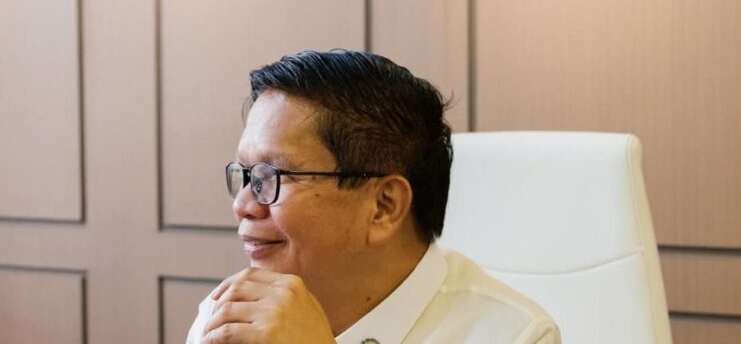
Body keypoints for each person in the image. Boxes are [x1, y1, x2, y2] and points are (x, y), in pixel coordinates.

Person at [187, 50, 560, 344]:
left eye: (274, 176)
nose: (243, 206)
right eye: (247, 176)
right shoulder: (228, 315)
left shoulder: (516, 335)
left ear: (384, 207)